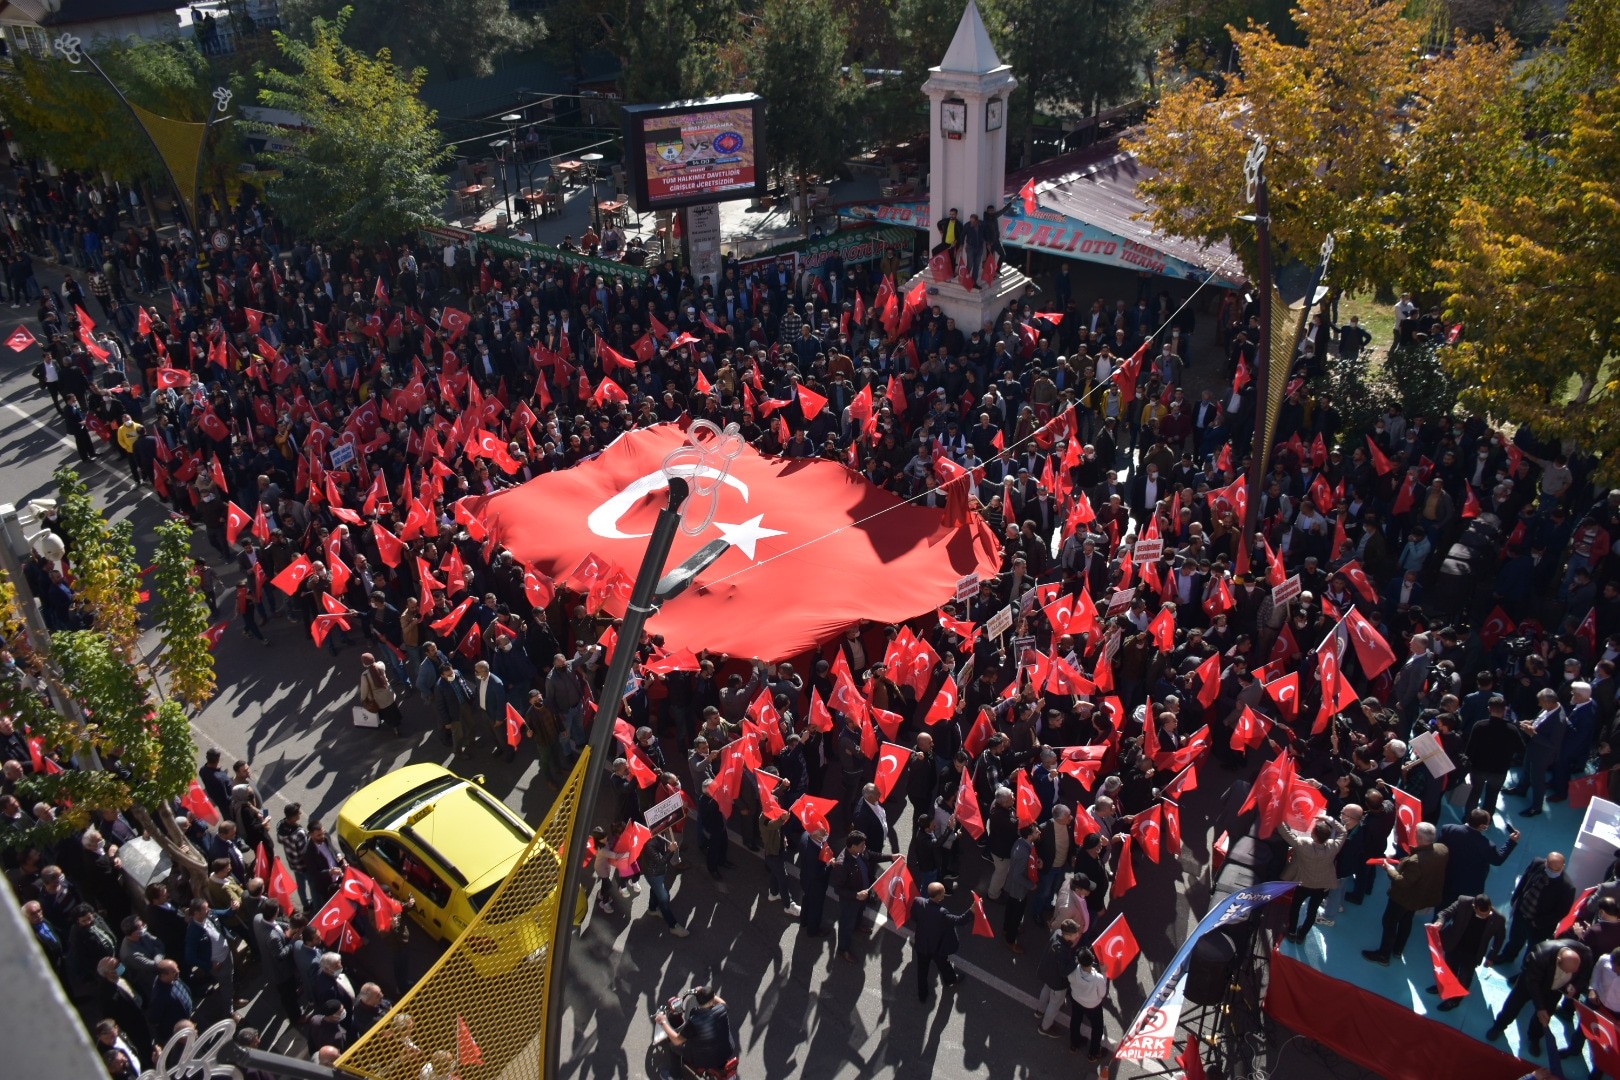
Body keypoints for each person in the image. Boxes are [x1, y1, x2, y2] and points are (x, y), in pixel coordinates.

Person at [1362, 821, 1449, 965]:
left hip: (1403, 897)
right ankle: (1398, 949)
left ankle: (1383, 955)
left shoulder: (1415, 861)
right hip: (1420, 896)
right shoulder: (1442, 849)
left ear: (1419, 838)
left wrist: (1389, 869)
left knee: (1389, 922)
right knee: (1406, 920)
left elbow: (1402, 881)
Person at [1486, 940, 1593, 1056]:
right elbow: (1532, 983)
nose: (1567, 973)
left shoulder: (1586, 956)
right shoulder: (1540, 954)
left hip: (1554, 990)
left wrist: (1575, 986)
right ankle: (1498, 1026)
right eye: (1565, 970)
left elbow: (1584, 976)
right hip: (1530, 984)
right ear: (1558, 960)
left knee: (1545, 1016)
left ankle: (1534, 1038)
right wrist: (1540, 1007)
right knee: (1513, 1006)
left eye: (1571, 972)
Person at [1494, 852, 1578, 967]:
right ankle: (1508, 956)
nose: (1552, 872)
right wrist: (1515, 900)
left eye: (1556, 870)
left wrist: (1539, 922)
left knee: (1533, 950)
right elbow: (1524, 881)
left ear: (1563, 866)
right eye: (1550, 868)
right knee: (1515, 939)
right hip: (1522, 913)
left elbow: (1561, 912)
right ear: (1546, 862)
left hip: (1540, 926)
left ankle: (1525, 971)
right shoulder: (1537, 864)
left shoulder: (1567, 887)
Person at [1427, 894, 1507, 1010]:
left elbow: (1499, 939)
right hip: (1455, 945)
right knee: (1449, 969)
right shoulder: (1463, 902)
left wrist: (1491, 956)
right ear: (1474, 907)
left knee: (1465, 977)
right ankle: (1444, 987)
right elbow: (1445, 913)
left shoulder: (1498, 919)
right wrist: (1440, 921)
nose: (1484, 916)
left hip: (1473, 953)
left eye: (1487, 913)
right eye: (1481, 914)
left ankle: (1455, 1000)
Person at [1278, 813, 1348, 942]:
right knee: (1312, 912)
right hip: (1321, 887)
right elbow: (1343, 831)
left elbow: (1284, 832)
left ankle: (1292, 931)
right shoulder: (1333, 847)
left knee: (1295, 907)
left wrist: (1278, 814)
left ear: (1313, 834)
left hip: (1303, 883)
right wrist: (1329, 819)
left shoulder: (1302, 844)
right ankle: (1302, 935)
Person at [831, 830, 897, 963]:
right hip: (850, 901)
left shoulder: (860, 852)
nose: (864, 847)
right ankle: (843, 950)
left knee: (859, 913)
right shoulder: (841, 864)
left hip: (863, 895)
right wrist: (856, 895)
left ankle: (857, 925)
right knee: (845, 926)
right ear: (853, 846)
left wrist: (891, 857)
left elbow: (873, 855)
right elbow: (838, 889)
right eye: (861, 845)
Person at [1438, 809, 1519, 912]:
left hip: (1446, 880)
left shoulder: (1448, 829)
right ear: (1482, 826)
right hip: (1469, 888)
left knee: (1440, 912)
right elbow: (1497, 860)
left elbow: (1439, 849)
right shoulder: (1487, 845)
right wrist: (1511, 842)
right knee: (1461, 916)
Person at [909, 881, 975, 1003]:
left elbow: (914, 917)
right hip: (936, 946)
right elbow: (959, 920)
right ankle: (951, 980)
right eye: (943, 893)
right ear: (938, 896)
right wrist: (972, 910)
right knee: (944, 964)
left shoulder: (918, 901)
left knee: (922, 971)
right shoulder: (942, 912)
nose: (944, 894)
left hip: (921, 944)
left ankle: (922, 995)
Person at [654, 985, 736, 1075]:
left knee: (673, 1046)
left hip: (706, 1060)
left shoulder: (695, 1021)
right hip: (728, 1050)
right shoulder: (722, 1008)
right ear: (712, 999)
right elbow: (723, 1002)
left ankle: (674, 1075)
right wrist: (709, 995)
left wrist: (663, 1022)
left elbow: (677, 1040)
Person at [1036, 918, 1083, 1036]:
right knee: (1054, 1004)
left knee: (1045, 991)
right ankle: (1044, 1028)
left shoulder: (1057, 933)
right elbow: (1064, 971)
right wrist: (1076, 961)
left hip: (1047, 973)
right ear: (1069, 935)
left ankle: (1039, 1011)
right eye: (1076, 933)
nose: (1078, 935)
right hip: (1057, 982)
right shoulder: (1064, 950)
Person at [1067, 947, 1110, 1062]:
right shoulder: (1098, 978)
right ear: (1092, 960)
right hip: (1092, 1006)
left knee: (1076, 1020)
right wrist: (1104, 972)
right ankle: (1093, 1053)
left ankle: (1074, 1044)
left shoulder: (1073, 970)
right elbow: (1102, 994)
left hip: (1076, 1000)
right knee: (1097, 1028)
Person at [357, 653, 402, 735]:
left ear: (364, 664)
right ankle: (396, 726)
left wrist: (363, 699)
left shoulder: (365, 675)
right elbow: (379, 663)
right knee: (393, 711)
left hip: (379, 700)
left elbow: (364, 690)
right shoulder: (381, 665)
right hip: (388, 694)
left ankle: (390, 725)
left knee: (385, 714)